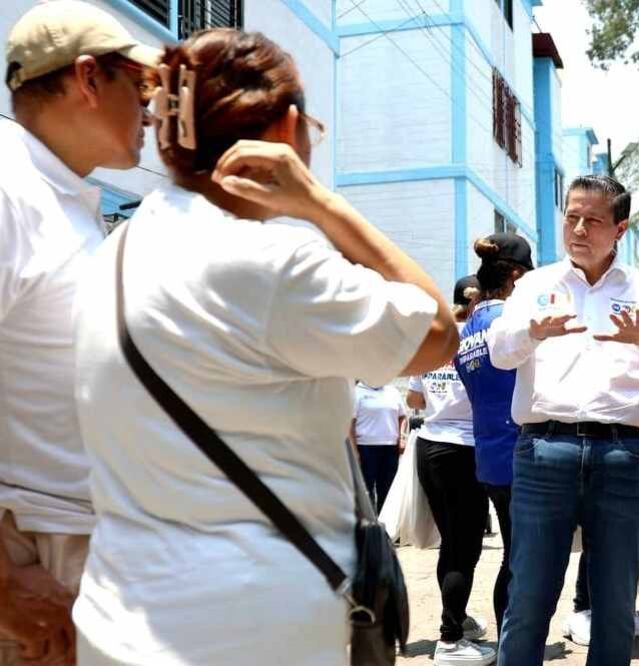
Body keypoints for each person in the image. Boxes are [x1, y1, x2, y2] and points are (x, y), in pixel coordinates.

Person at [70, 28, 457, 665]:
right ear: (287, 131)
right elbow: (437, 333)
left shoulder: (114, 252)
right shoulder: (272, 260)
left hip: (118, 622)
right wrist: (320, 203)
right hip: (258, 626)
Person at [0, 3, 160, 663]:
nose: (152, 112)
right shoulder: (11, 189)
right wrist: (6, 585)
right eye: (142, 88)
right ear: (88, 80)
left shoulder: (68, 198)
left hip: (80, 553)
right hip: (32, 560)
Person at [488, 174, 639, 666]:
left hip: (621, 454)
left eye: (593, 220)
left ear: (619, 228)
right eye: (571, 217)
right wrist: (530, 333)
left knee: (615, 601)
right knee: (530, 595)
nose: (578, 229)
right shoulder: (535, 285)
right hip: (543, 450)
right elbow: (498, 353)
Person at [454, 233, 534, 642]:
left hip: (488, 455)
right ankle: (513, 640)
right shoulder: (510, 323)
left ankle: (510, 638)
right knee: (521, 558)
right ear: (516, 276)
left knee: (513, 553)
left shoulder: (465, 331)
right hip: (523, 453)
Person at [410, 276, 492, 666]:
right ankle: (450, 639)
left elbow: (413, 396)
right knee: (466, 547)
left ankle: (456, 618)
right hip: (464, 448)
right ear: (479, 299)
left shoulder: (435, 338)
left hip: (429, 444)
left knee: (452, 542)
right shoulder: (479, 338)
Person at [348, 381, 407, 513]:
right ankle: (369, 528)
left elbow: (402, 416)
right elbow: (350, 423)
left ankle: (386, 529)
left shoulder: (393, 391)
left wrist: (402, 437)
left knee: (388, 492)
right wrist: (354, 451)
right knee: (366, 492)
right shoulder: (356, 392)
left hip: (390, 449)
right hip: (365, 448)